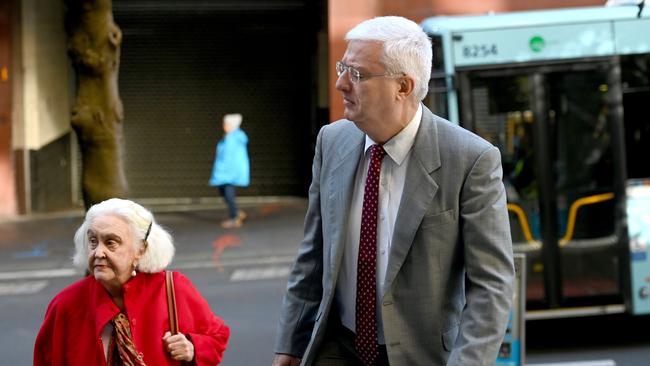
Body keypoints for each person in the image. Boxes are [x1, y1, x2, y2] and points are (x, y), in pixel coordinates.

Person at [273, 16, 514, 366]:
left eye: (357, 74)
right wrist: (290, 346)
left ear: (403, 86)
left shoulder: (470, 159)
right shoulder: (332, 141)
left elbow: (491, 286)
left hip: (421, 356)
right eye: (343, 68)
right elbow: (313, 257)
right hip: (338, 349)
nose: (340, 84)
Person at [34, 198, 230, 365]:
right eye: (93, 241)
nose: (98, 252)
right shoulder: (65, 305)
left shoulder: (173, 287)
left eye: (111, 242)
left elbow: (217, 336)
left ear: (141, 250)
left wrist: (192, 347)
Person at [209, 113, 250, 229]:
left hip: (229, 173)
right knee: (224, 193)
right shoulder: (230, 137)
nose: (224, 126)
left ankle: (234, 218)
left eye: (225, 124)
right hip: (226, 173)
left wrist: (224, 173)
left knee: (228, 195)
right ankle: (236, 212)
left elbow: (229, 158)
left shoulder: (233, 138)